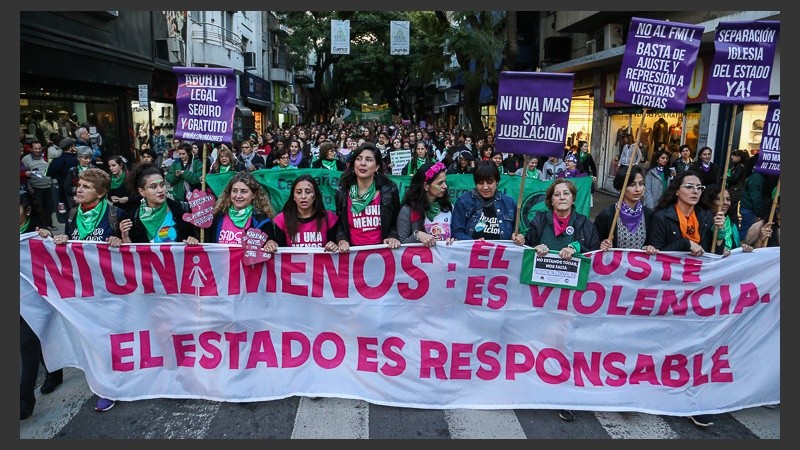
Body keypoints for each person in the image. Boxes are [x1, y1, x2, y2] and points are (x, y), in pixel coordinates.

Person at [37, 167, 126, 412]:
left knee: (110, 339)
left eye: (86, 186)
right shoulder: (73, 214)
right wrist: (54, 239)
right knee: (91, 339)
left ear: (101, 193)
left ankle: (112, 386)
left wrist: (120, 241)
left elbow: (134, 253)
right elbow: (71, 249)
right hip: (82, 291)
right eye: (80, 185)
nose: (79, 189)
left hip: (111, 292)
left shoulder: (115, 214)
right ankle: (104, 383)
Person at [519, 178, 600, 423]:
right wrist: (527, 243)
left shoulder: (585, 224)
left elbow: (594, 252)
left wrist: (577, 246)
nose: (562, 197)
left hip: (571, 301)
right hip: (542, 296)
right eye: (557, 194)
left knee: (565, 345)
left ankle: (566, 396)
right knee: (540, 341)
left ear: (574, 199)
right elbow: (526, 245)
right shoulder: (540, 220)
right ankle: (538, 387)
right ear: (550, 200)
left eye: (566, 194)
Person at [20, 189, 64, 420]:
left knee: (28, 342)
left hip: (36, 297)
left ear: (26, 211)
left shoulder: (36, 234)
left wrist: (47, 238)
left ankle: (25, 399)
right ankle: (53, 370)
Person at [334, 143, 401, 252]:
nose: (363, 163)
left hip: (383, 252)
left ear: (377, 167)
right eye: (359, 159)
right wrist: (341, 239)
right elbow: (339, 224)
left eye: (369, 160)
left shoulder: (390, 190)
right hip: (352, 253)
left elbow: (396, 221)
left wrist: (393, 235)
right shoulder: (342, 192)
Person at [648, 171, 724, 258]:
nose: (695, 191)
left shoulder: (707, 216)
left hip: (699, 270)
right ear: (676, 191)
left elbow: (715, 254)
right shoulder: (661, 217)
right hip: (672, 269)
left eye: (699, 187)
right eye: (689, 187)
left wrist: (719, 234)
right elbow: (655, 256)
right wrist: (686, 244)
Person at [119, 163, 199, 245]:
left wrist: (193, 240)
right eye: (153, 187)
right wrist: (125, 237)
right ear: (142, 191)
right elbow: (133, 253)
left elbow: (195, 240)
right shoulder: (133, 219)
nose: (160, 190)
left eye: (162, 185)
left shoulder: (182, 210)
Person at [594, 166, 658, 254]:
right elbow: (594, 244)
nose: (638, 189)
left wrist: (651, 247)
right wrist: (602, 245)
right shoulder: (607, 215)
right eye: (632, 185)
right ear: (621, 187)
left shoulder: (648, 214)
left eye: (641, 183)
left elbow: (654, 243)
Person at [451, 161, 520, 241]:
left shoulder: (509, 203)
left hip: (500, 252)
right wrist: (473, 243)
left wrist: (518, 237)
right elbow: (456, 232)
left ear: (497, 181)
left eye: (489, 182)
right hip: (472, 252)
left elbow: (517, 231)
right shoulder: (463, 201)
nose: (485, 187)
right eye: (480, 183)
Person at [206, 171, 278, 248]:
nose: (238, 196)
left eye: (244, 191)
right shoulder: (218, 216)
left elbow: (270, 242)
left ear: (254, 194)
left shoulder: (263, 221)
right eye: (234, 191)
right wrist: (194, 240)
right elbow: (205, 241)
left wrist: (270, 243)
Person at [272, 174, 339, 250]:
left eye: (308, 192)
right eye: (299, 192)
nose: (303, 196)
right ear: (293, 196)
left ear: (315, 196)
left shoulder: (329, 218)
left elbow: (336, 247)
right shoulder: (282, 220)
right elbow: (280, 254)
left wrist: (334, 246)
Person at [397, 161, 455, 246]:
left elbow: (457, 235)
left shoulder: (449, 208)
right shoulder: (408, 210)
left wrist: (454, 240)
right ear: (426, 186)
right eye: (440, 183)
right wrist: (417, 236)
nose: (445, 186)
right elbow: (401, 246)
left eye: (445, 182)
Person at [700, 183, 753, 257]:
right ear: (709, 201)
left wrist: (742, 248)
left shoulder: (732, 223)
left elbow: (735, 247)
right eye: (719, 199)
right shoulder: (703, 222)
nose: (725, 203)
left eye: (728, 199)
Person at [21, 139, 56, 230]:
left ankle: (49, 224)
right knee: (39, 209)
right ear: (31, 149)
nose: (37, 150)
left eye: (39, 148)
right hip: (36, 188)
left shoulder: (45, 156)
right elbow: (23, 174)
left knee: (49, 207)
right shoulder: (26, 159)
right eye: (35, 149)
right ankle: (41, 226)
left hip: (48, 186)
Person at [63, 145, 97, 212]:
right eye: (85, 158)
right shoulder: (72, 171)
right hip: (77, 202)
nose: (88, 160)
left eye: (90, 158)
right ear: (78, 158)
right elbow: (67, 188)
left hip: (93, 202)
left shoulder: (95, 170)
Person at [724, 149, 750, 227]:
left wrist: (725, 178)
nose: (732, 157)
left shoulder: (740, 167)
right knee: (732, 211)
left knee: (731, 211)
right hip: (734, 191)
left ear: (739, 157)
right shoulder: (736, 166)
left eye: (734, 155)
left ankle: (733, 227)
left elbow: (734, 179)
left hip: (735, 191)